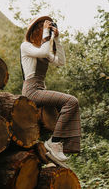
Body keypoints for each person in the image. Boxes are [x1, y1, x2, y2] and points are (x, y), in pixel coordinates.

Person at [20, 16, 81, 164]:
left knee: (68, 106)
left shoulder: (44, 50)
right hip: (31, 90)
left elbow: (61, 61)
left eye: (46, 28)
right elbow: (42, 52)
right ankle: (54, 142)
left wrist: (57, 39)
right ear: (35, 30)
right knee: (71, 101)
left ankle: (58, 145)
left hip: (40, 89)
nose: (44, 31)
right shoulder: (26, 46)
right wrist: (47, 34)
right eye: (42, 28)